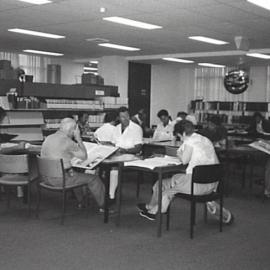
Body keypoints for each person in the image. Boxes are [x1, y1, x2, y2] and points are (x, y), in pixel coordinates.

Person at [138, 120, 233, 224]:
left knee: (168, 188)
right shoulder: (204, 139)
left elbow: (184, 160)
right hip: (213, 184)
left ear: (183, 133)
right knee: (162, 183)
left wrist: (179, 153)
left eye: (180, 136)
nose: (181, 139)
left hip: (197, 185)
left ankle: (154, 211)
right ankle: (151, 206)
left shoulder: (189, 142)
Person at [41, 118, 105, 211]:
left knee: (73, 173)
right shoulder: (68, 142)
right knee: (94, 179)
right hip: (60, 180)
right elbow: (84, 156)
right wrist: (78, 138)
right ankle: (103, 206)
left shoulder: (48, 138)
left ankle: (81, 202)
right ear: (73, 130)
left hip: (45, 177)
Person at [109, 107, 143, 201]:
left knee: (114, 169)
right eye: (122, 117)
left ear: (129, 116)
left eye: (126, 116)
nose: (125, 118)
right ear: (118, 118)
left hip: (131, 156)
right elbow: (113, 143)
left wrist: (125, 150)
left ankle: (111, 196)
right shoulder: (116, 128)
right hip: (117, 154)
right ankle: (102, 192)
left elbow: (138, 147)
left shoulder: (136, 128)